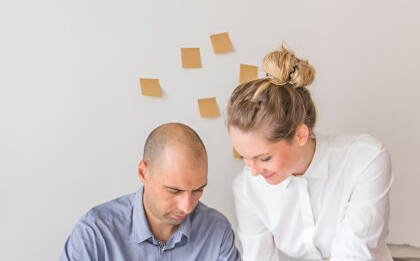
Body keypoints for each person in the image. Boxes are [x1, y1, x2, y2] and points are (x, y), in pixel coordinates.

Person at [226, 45, 393, 260]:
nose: (254, 172)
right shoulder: (247, 187)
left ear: (300, 135)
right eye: (244, 158)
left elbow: (353, 255)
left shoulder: (366, 160)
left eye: (264, 158)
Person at [60, 123, 241, 261]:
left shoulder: (217, 231)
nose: (187, 207)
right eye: (174, 190)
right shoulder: (95, 233)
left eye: (198, 190)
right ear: (143, 172)